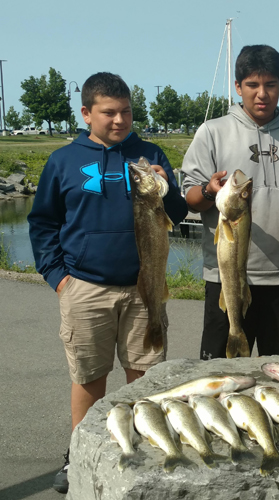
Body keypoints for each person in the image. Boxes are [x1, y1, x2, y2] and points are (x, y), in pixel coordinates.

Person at [28, 72, 188, 494]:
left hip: (145, 287)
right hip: (85, 287)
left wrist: (167, 187)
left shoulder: (149, 153)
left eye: (127, 112)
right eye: (109, 112)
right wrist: (58, 277)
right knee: (89, 377)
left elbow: (178, 214)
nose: (120, 120)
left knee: (147, 376)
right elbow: (43, 222)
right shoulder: (63, 161)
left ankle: (146, 448)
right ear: (87, 113)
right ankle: (79, 452)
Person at [181, 44, 279, 360]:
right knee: (220, 380)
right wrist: (209, 191)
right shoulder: (211, 132)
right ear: (238, 86)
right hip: (226, 278)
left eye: (270, 85)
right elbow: (189, 197)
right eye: (253, 85)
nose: (262, 94)